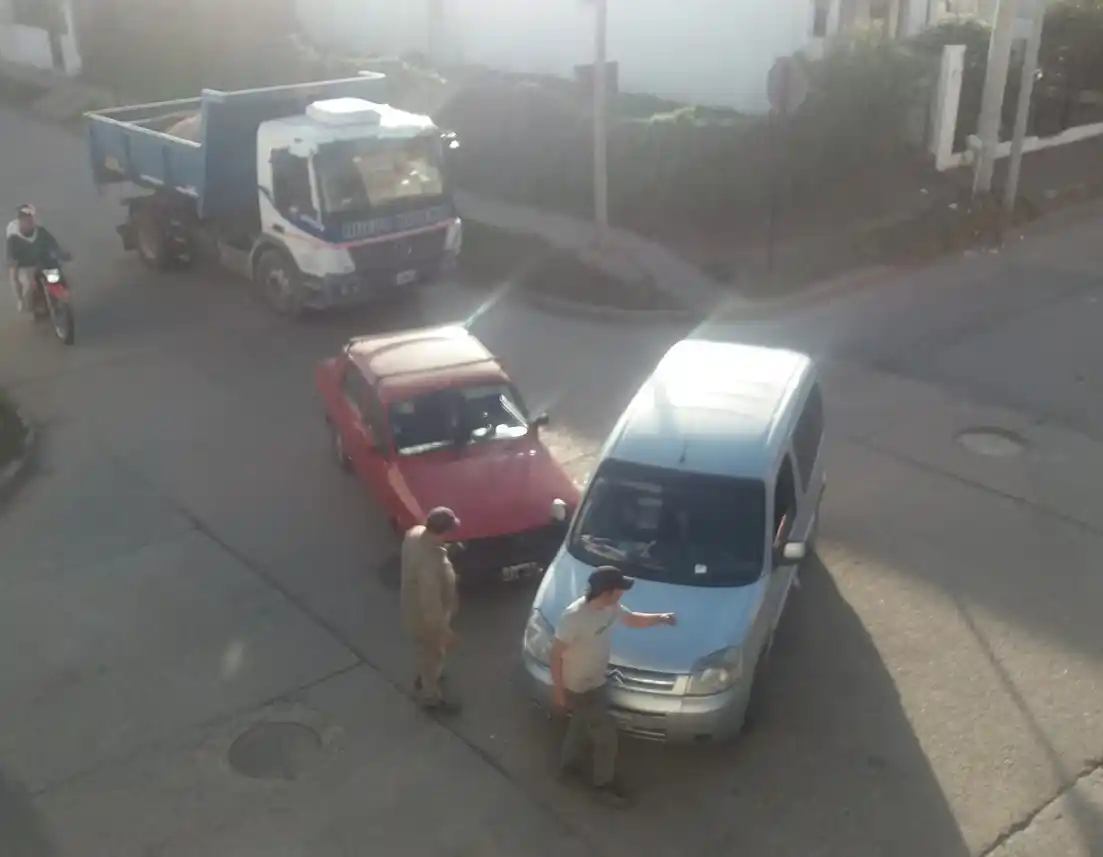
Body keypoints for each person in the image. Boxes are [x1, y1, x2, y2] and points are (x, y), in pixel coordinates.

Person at [550, 566, 677, 807]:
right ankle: (602, 786)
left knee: (579, 726)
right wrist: (558, 691)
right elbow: (555, 655)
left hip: (597, 681)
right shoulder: (574, 617)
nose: (623, 593)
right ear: (606, 592)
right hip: (578, 687)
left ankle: (567, 768)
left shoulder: (611, 607)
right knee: (606, 735)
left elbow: (632, 620)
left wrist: (659, 618)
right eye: (619, 589)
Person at [400, 506, 461, 714]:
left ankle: (424, 675)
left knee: (423, 650)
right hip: (425, 618)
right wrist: (444, 632)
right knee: (433, 653)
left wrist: (444, 552)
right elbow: (430, 604)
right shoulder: (429, 563)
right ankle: (431, 696)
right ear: (443, 531)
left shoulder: (414, 533)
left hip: (411, 605)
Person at [6, 204, 63, 314]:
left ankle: (60, 299)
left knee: (57, 275)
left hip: (41, 261)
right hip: (24, 266)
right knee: (28, 285)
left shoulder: (40, 230)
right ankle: (22, 300)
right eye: (26, 219)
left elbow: (54, 245)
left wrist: (61, 254)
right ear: (20, 220)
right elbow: (12, 260)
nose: (29, 222)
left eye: (31, 219)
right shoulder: (13, 237)